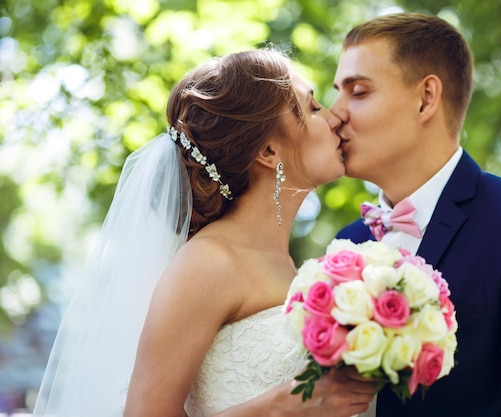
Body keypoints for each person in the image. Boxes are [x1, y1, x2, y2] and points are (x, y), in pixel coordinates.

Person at [33, 48, 376, 417]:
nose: (335, 118)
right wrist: (282, 406)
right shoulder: (208, 262)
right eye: (313, 108)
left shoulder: (289, 264)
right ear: (267, 149)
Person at [331, 12, 501, 416]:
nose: (335, 113)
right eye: (337, 92)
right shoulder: (346, 244)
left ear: (426, 98)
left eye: (358, 91)